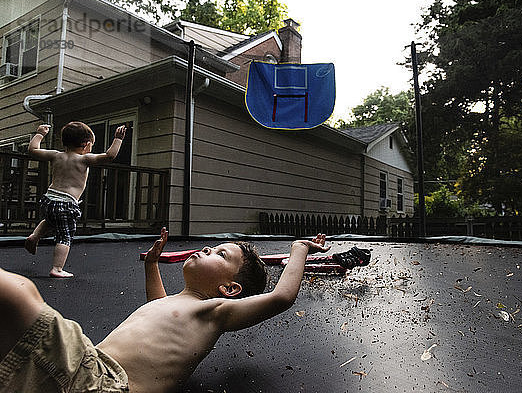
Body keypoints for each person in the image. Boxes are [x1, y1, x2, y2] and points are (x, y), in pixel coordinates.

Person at [0, 228, 330, 392]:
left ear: (229, 290)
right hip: (84, 373)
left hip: (105, 381)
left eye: (219, 254)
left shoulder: (214, 311)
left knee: (21, 292)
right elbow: (158, 305)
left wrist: (298, 249)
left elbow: (282, 298)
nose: (206, 248)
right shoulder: (178, 305)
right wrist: (152, 266)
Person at [25, 122, 127, 278]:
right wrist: (118, 139)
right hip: (66, 203)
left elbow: (32, 150)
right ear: (86, 145)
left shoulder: (56, 155)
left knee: (50, 219)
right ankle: (57, 268)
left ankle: (34, 237)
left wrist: (40, 134)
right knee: (65, 236)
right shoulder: (84, 159)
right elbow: (109, 156)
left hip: (49, 198)